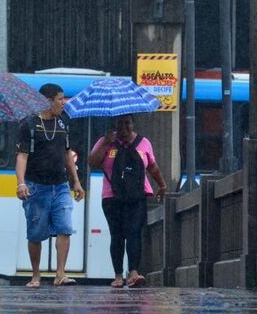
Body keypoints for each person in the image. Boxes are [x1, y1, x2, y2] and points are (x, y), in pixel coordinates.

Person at [15, 83, 85, 288]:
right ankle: (35, 275)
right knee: (35, 232)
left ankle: (60, 273)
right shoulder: (28, 125)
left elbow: (67, 154)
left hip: (61, 185)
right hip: (36, 185)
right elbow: (22, 156)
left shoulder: (63, 123)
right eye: (60, 99)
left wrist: (76, 182)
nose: (63, 103)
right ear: (47, 100)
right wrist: (21, 183)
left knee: (65, 227)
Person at [87, 114, 167, 288]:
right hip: (111, 196)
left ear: (133, 124)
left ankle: (133, 272)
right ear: (114, 124)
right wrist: (106, 142)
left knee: (134, 232)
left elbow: (152, 166)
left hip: (137, 196)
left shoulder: (144, 143)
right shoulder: (105, 141)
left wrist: (162, 185)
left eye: (127, 123)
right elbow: (92, 162)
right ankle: (117, 275)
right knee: (117, 235)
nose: (124, 127)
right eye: (120, 123)